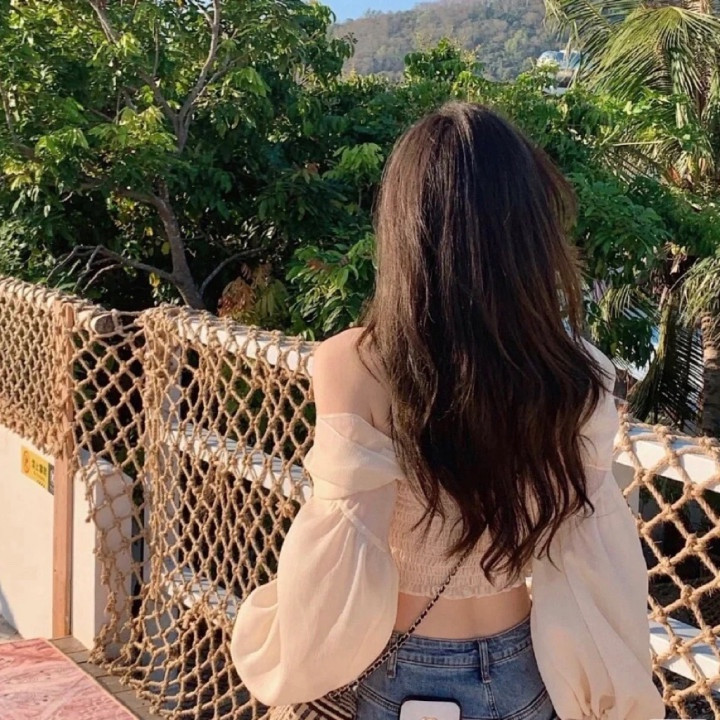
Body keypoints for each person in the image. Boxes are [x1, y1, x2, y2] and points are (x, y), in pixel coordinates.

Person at [230, 102, 665, 720]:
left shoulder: (353, 365)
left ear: (405, 226)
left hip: (398, 670)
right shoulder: (579, 374)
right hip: (527, 671)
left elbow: (339, 567)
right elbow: (597, 556)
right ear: (530, 228)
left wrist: (283, 651)